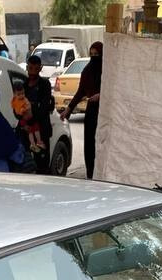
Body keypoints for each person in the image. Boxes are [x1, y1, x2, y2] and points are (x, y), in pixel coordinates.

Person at [61, 41, 103, 179]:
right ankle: (91, 175)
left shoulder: (108, 71)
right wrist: (69, 109)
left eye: (97, 54)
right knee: (90, 144)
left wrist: (102, 95)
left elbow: (114, 89)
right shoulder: (87, 70)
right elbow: (80, 92)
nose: (94, 57)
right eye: (92, 54)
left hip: (105, 112)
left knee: (102, 145)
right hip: (92, 111)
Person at [22, 54, 56, 173]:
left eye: (36, 69)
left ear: (40, 69)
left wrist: (31, 113)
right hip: (26, 131)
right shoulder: (23, 85)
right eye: (30, 68)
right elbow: (18, 107)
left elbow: (44, 107)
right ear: (27, 67)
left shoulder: (45, 84)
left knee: (42, 164)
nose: (33, 72)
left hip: (41, 131)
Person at [11, 83, 44, 155]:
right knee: (30, 134)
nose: (21, 96)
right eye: (19, 94)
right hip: (24, 128)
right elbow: (17, 114)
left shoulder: (26, 99)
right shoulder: (16, 102)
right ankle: (33, 145)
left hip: (30, 122)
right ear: (14, 94)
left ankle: (36, 143)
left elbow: (35, 110)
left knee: (33, 131)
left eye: (23, 93)